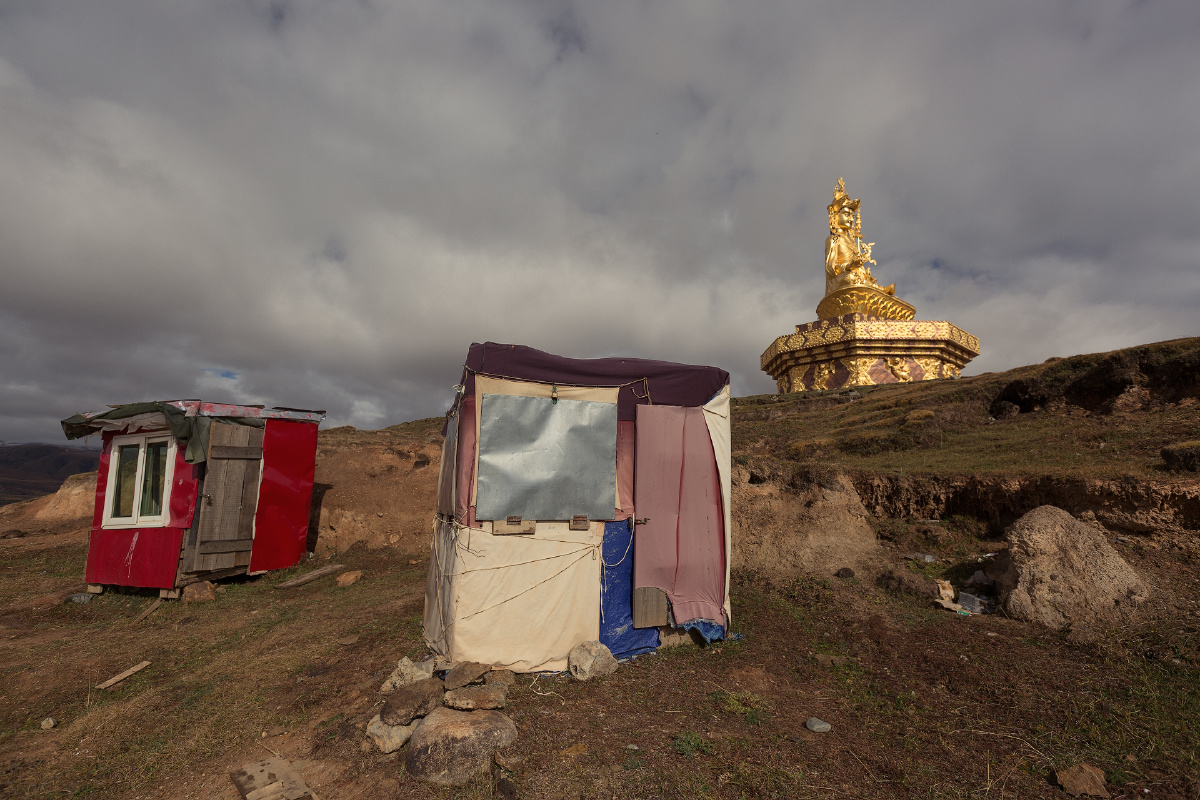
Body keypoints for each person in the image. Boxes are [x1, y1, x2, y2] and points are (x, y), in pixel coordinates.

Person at [824, 178, 895, 296]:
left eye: (852, 216)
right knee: (851, 278)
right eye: (846, 214)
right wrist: (849, 266)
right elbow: (830, 268)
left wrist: (863, 272)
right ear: (836, 216)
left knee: (863, 280)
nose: (851, 219)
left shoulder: (852, 242)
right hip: (842, 279)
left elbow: (859, 269)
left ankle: (878, 289)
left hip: (856, 277)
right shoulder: (833, 240)